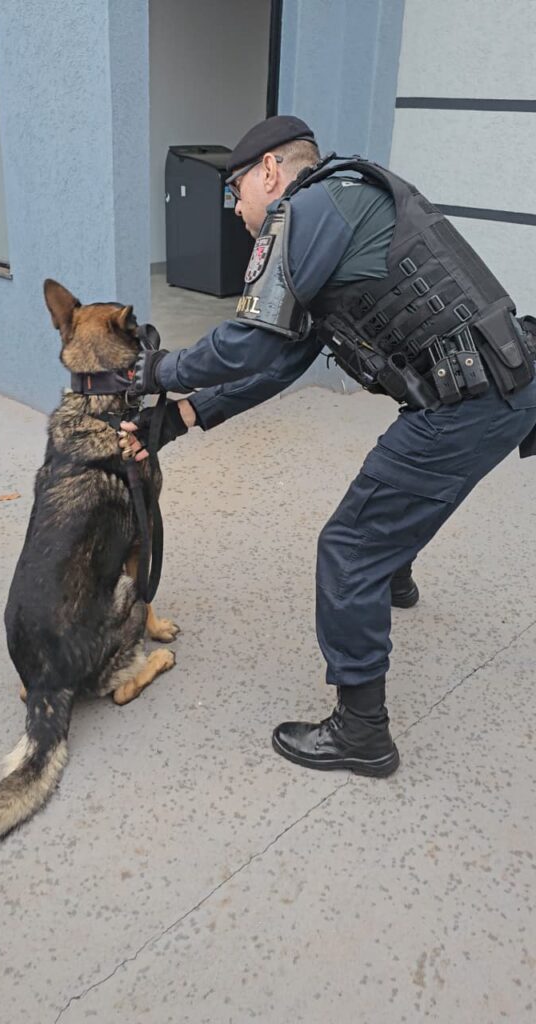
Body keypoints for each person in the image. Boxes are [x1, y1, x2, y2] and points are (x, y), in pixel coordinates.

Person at [120, 114, 536, 778]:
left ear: (270, 172)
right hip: (504, 388)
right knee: (402, 487)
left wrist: (158, 371)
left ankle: (361, 732)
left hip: (466, 403)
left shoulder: (308, 209)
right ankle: (393, 573)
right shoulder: (338, 208)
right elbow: (282, 360)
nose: (234, 210)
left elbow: (250, 341)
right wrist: (181, 416)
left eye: (236, 192)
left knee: (348, 548)